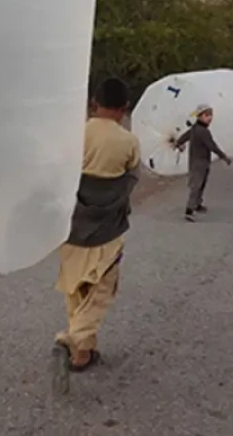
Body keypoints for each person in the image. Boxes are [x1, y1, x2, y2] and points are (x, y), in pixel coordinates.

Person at [52, 78, 139, 381]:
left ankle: (82, 355)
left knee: (75, 286)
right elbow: (132, 176)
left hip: (72, 226)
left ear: (94, 102)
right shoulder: (128, 140)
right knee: (101, 289)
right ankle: (74, 338)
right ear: (124, 108)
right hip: (108, 229)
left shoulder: (74, 134)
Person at [174, 104, 231, 222]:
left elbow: (183, 138)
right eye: (206, 115)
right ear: (199, 116)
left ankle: (197, 204)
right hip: (199, 163)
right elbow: (212, 146)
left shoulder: (195, 129)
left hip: (199, 161)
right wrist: (224, 157)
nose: (210, 118)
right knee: (197, 185)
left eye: (211, 115)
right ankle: (189, 210)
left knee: (201, 184)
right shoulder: (203, 132)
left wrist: (178, 143)